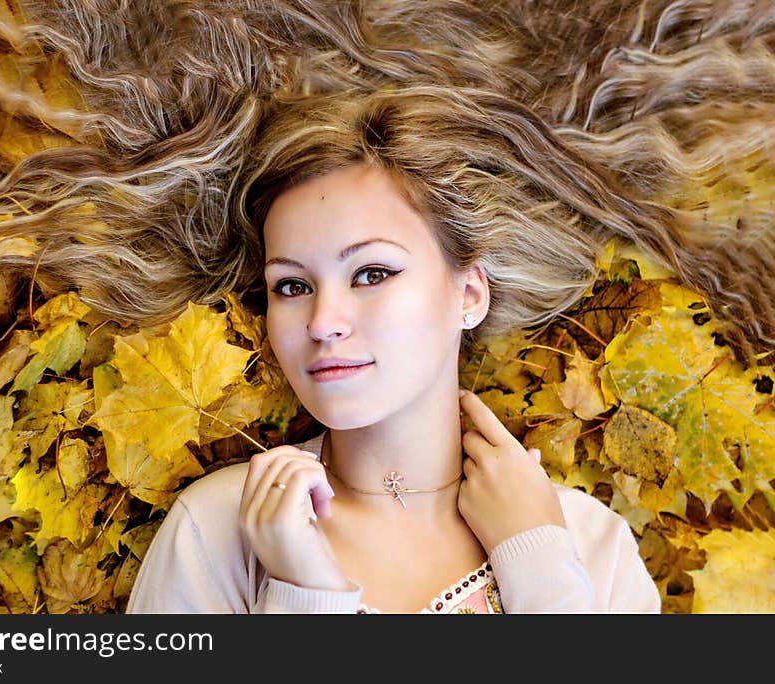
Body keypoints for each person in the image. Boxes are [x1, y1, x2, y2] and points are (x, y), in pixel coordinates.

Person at [126, 89, 666, 612]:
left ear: (469, 293)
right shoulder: (218, 532)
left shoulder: (592, 546)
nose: (323, 323)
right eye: (291, 286)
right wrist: (304, 595)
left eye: (372, 273)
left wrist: (542, 572)